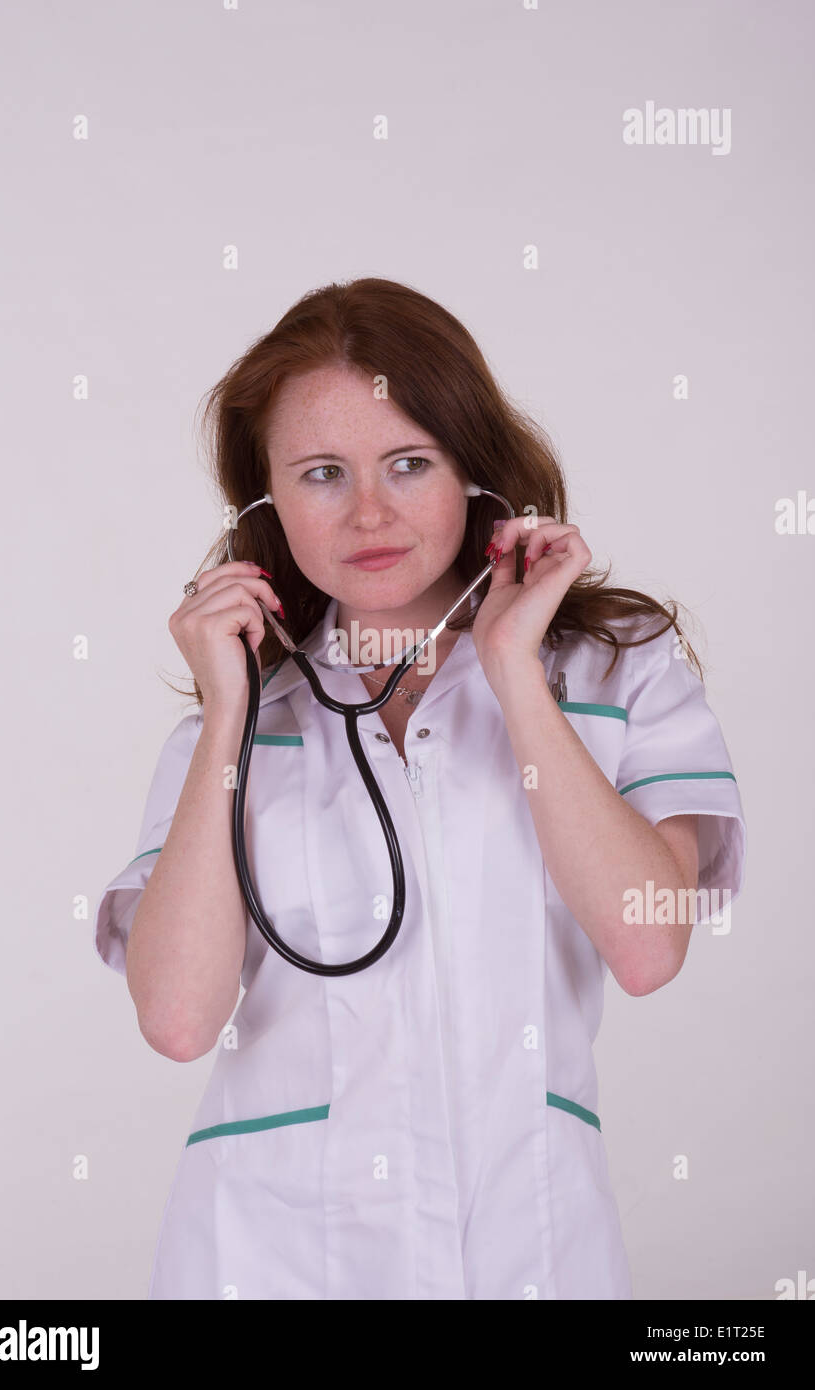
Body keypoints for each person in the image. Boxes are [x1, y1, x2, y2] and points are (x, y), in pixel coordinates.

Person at [93, 277, 746, 1300]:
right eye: (320, 473)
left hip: (530, 1251)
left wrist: (513, 669)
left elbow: (648, 943)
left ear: (473, 470)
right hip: (267, 1259)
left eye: (409, 462)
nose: (368, 511)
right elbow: (179, 1019)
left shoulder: (616, 673)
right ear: (264, 504)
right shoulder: (236, 728)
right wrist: (229, 714)